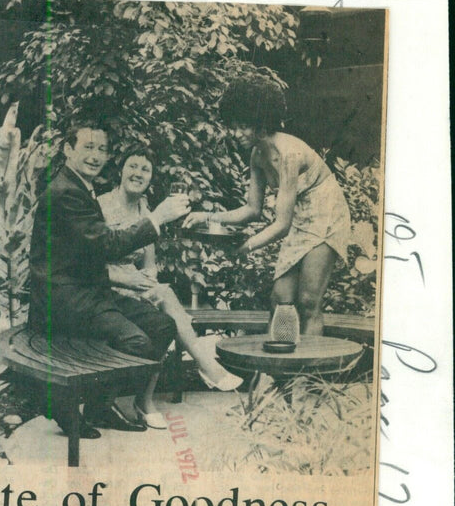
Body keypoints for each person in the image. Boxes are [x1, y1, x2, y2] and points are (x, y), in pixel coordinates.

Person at [28, 124, 190, 436]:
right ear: (68, 150)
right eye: (88, 147)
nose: (96, 156)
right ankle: (70, 402)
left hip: (90, 293)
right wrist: (156, 218)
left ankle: (101, 406)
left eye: (102, 149)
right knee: (137, 341)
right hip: (64, 300)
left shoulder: (78, 186)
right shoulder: (65, 193)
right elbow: (106, 245)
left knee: (163, 326)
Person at [184, 74, 351, 336]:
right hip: (300, 218)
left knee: (309, 302)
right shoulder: (257, 155)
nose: (235, 133)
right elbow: (251, 210)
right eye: (233, 126)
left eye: (242, 127)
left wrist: (246, 246)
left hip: (327, 213)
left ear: (260, 123)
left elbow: (282, 225)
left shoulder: (288, 155)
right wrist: (206, 217)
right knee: (280, 298)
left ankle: (307, 373)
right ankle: (280, 367)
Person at [98, 152, 243, 422]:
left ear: (150, 178)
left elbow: (149, 263)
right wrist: (129, 282)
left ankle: (151, 398)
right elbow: (88, 265)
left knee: (163, 304)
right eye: (133, 166)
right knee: (165, 302)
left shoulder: (145, 208)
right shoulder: (101, 206)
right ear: (121, 171)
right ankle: (199, 371)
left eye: (145, 169)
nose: (138, 173)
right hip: (105, 288)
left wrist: (146, 284)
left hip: (136, 288)